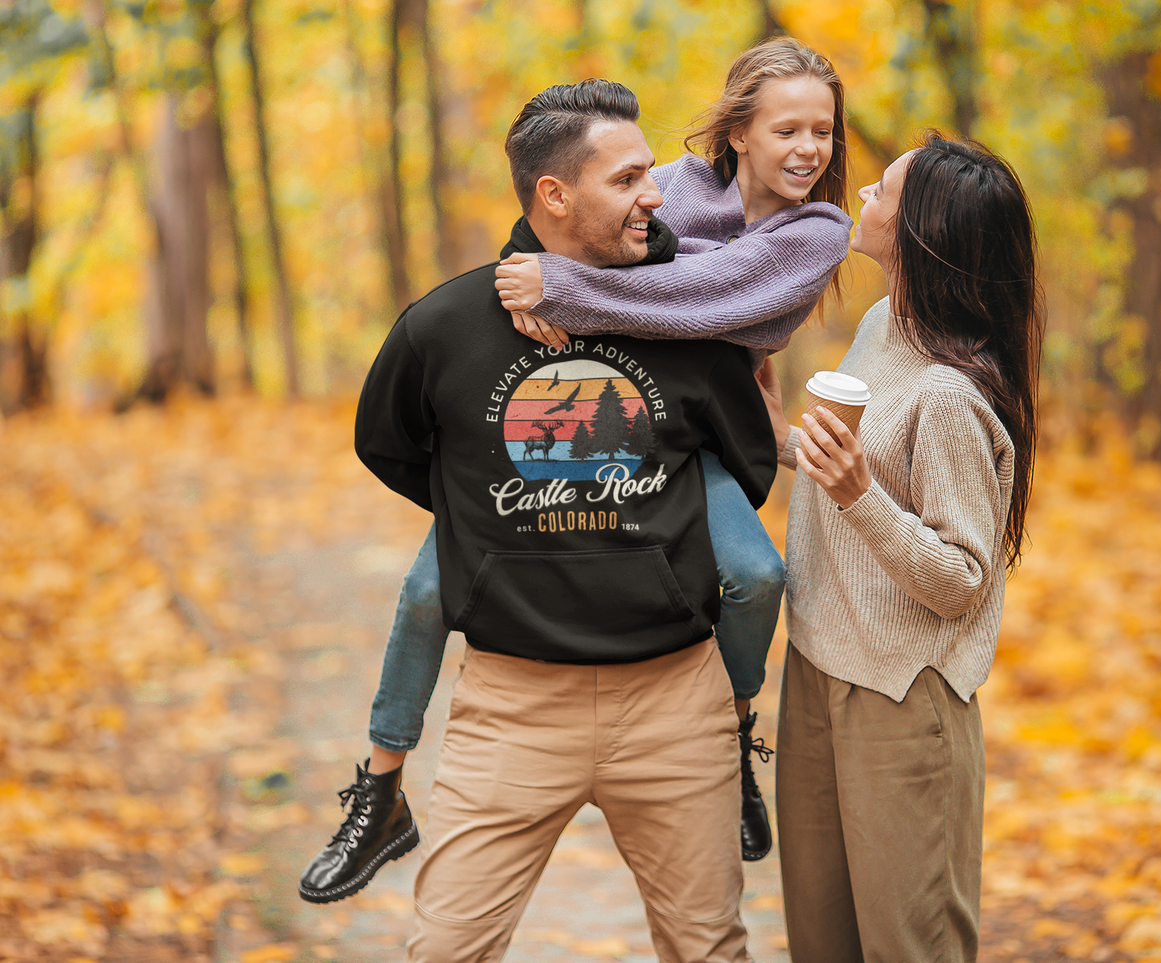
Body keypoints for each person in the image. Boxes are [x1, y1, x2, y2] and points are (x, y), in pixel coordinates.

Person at [298, 36, 851, 904]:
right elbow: (585, 210)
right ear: (738, 131)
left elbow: (710, 295)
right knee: (419, 594)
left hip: (702, 422)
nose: (809, 149)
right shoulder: (674, 181)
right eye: (788, 128)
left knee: (753, 571)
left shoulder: (817, 227)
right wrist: (481, 497)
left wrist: (569, 291)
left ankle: (735, 734)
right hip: (628, 399)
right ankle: (378, 788)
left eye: (823, 130)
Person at [761, 136, 1043, 963]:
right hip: (817, 669)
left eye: (879, 194)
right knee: (823, 940)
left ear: (918, 230)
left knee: (908, 947)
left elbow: (958, 579)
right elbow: (855, 461)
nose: (862, 202)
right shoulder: (887, 323)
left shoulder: (949, 396)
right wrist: (778, 436)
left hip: (901, 697)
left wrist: (856, 495)